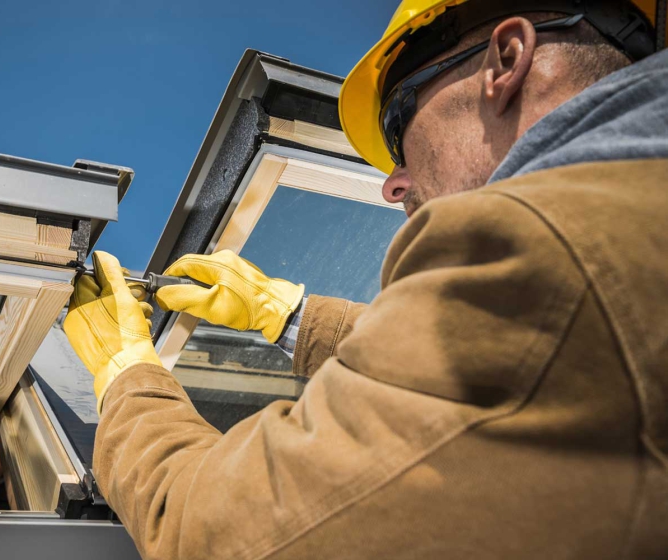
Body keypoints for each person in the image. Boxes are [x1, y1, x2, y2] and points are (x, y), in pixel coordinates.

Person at [64, 0, 668, 557]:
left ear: (506, 62)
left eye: (398, 120)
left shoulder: (545, 244)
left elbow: (219, 533)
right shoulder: (627, 218)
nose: (392, 183)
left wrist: (128, 377)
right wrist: (287, 315)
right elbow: (488, 373)